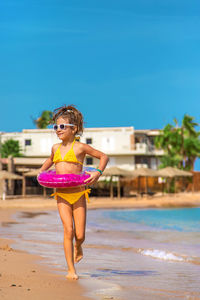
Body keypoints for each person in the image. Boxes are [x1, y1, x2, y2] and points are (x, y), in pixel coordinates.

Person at [39, 104, 109, 280]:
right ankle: (71, 270)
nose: (57, 130)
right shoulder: (55, 148)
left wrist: (98, 172)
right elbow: (49, 160)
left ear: (74, 129)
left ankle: (79, 246)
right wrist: (41, 171)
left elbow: (103, 157)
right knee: (68, 230)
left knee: (80, 235)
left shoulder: (80, 148)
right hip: (61, 194)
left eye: (62, 126)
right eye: (55, 127)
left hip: (78, 193)